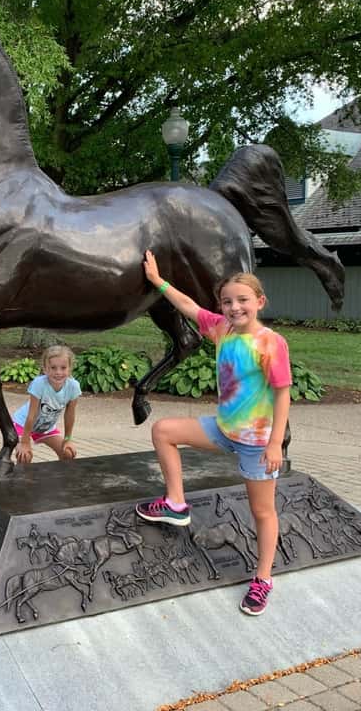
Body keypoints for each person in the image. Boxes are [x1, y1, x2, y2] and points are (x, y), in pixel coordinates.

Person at [134, 251, 291, 616]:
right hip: (223, 430)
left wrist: (274, 444)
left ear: (259, 302)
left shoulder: (271, 343)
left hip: (257, 444)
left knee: (262, 512)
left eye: (242, 301)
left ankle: (263, 579)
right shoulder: (221, 328)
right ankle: (175, 503)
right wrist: (158, 281)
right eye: (227, 302)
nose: (235, 308)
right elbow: (187, 306)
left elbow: (283, 394)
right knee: (163, 430)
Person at [11, 345, 81, 463]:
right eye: (53, 368)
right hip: (23, 424)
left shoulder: (73, 386)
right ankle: (23, 480)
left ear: (69, 369)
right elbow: (31, 414)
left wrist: (67, 439)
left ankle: (61, 480)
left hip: (45, 427)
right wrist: (25, 441)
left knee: (68, 453)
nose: (58, 372)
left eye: (63, 368)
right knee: (25, 456)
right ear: (45, 369)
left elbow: (70, 414)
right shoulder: (39, 384)